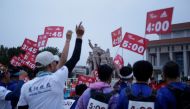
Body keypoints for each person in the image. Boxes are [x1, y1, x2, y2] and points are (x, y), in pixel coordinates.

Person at [17, 22, 85, 109]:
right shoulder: (57, 78)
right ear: (50, 65)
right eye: (54, 62)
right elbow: (75, 57)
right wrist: (79, 36)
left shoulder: (26, 86)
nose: (56, 64)